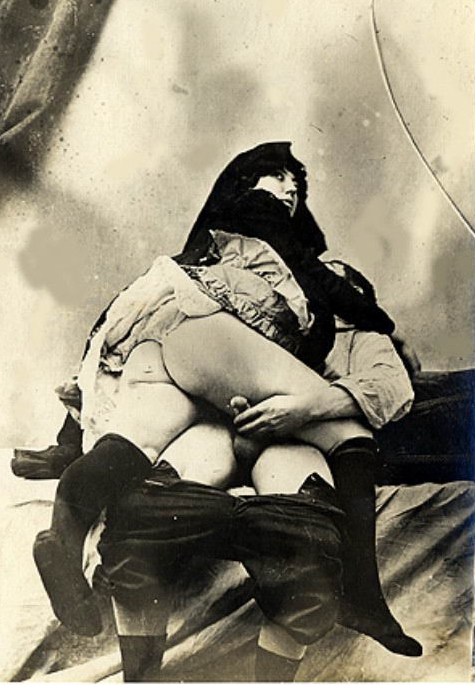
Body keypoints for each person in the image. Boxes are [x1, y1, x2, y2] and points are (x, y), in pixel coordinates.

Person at [31, 142, 401, 639]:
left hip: (158, 349)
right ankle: (362, 593)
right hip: (205, 334)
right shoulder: (258, 213)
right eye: (278, 175)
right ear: (246, 182)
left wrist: (66, 441)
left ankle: (64, 538)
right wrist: (379, 319)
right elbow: (316, 278)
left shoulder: (217, 237)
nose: (290, 188)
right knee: (349, 428)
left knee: (140, 441)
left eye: (297, 183)